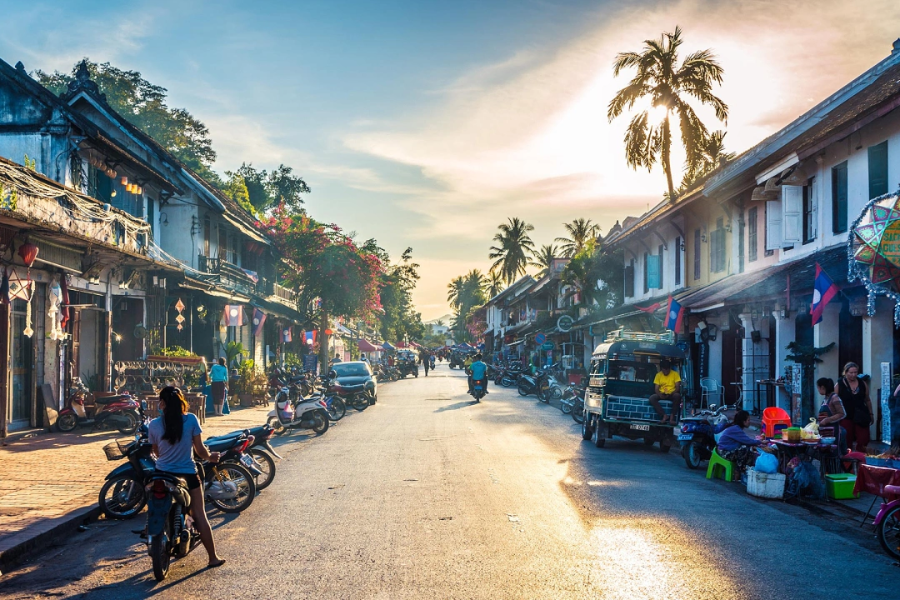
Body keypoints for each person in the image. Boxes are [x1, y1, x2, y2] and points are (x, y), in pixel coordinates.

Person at [148, 387, 226, 569]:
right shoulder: (191, 419)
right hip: (188, 475)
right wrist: (210, 457)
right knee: (199, 514)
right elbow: (199, 450)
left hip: (162, 474)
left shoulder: (154, 425)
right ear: (181, 401)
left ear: (162, 404)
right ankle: (212, 557)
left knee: (152, 502)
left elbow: (157, 452)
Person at [835, 362, 873, 453]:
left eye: (855, 372)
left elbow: (867, 399)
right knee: (847, 439)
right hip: (846, 415)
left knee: (864, 438)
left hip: (861, 414)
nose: (853, 375)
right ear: (846, 372)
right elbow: (835, 401)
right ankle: (848, 461)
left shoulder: (862, 383)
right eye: (851, 372)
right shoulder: (839, 384)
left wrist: (871, 413)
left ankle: (860, 458)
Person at [816, 377, 848, 456]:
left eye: (818, 388)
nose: (818, 390)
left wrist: (827, 420)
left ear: (822, 387)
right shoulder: (825, 399)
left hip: (834, 433)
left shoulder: (835, 398)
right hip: (825, 434)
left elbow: (842, 414)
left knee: (833, 456)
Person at [649, 359, 682, 424]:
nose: (666, 371)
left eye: (667, 369)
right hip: (662, 393)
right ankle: (664, 415)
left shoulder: (675, 374)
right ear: (661, 369)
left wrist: (671, 393)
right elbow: (656, 388)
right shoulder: (658, 375)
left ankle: (672, 418)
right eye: (664, 370)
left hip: (672, 393)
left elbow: (678, 388)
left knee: (677, 396)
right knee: (652, 398)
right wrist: (660, 394)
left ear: (669, 368)